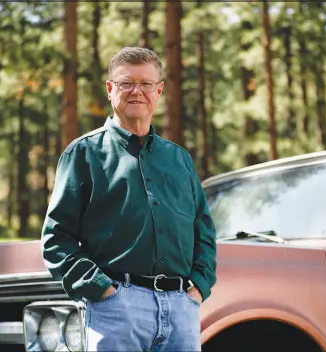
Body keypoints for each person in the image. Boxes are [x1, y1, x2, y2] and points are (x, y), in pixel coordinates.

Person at [41, 46, 217, 351]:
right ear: (110, 90)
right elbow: (56, 238)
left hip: (181, 311)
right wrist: (102, 289)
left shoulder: (179, 159)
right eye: (126, 83)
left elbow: (204, 232)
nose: (137, 91)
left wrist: (198, 288)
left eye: (146, 83)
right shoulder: (83, 154)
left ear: (159, 91)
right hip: (116, 309)